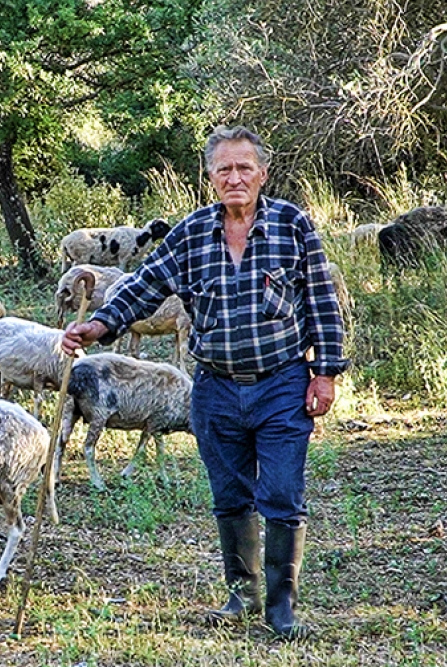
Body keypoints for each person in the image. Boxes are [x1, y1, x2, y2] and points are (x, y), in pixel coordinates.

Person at [61, 126, 348, 638]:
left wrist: (324, 373)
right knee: (230, 495)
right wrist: (99, 324)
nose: (234, 178)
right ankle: (242, 597)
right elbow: (142, 289)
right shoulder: (191, 234)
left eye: (244, 168)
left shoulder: (293, 225)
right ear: (210, 177)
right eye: (224, 169)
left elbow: (324, 304)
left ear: (262, 173)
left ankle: (282, 609)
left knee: (281, 492)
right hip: (214, 387)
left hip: (282, 382)